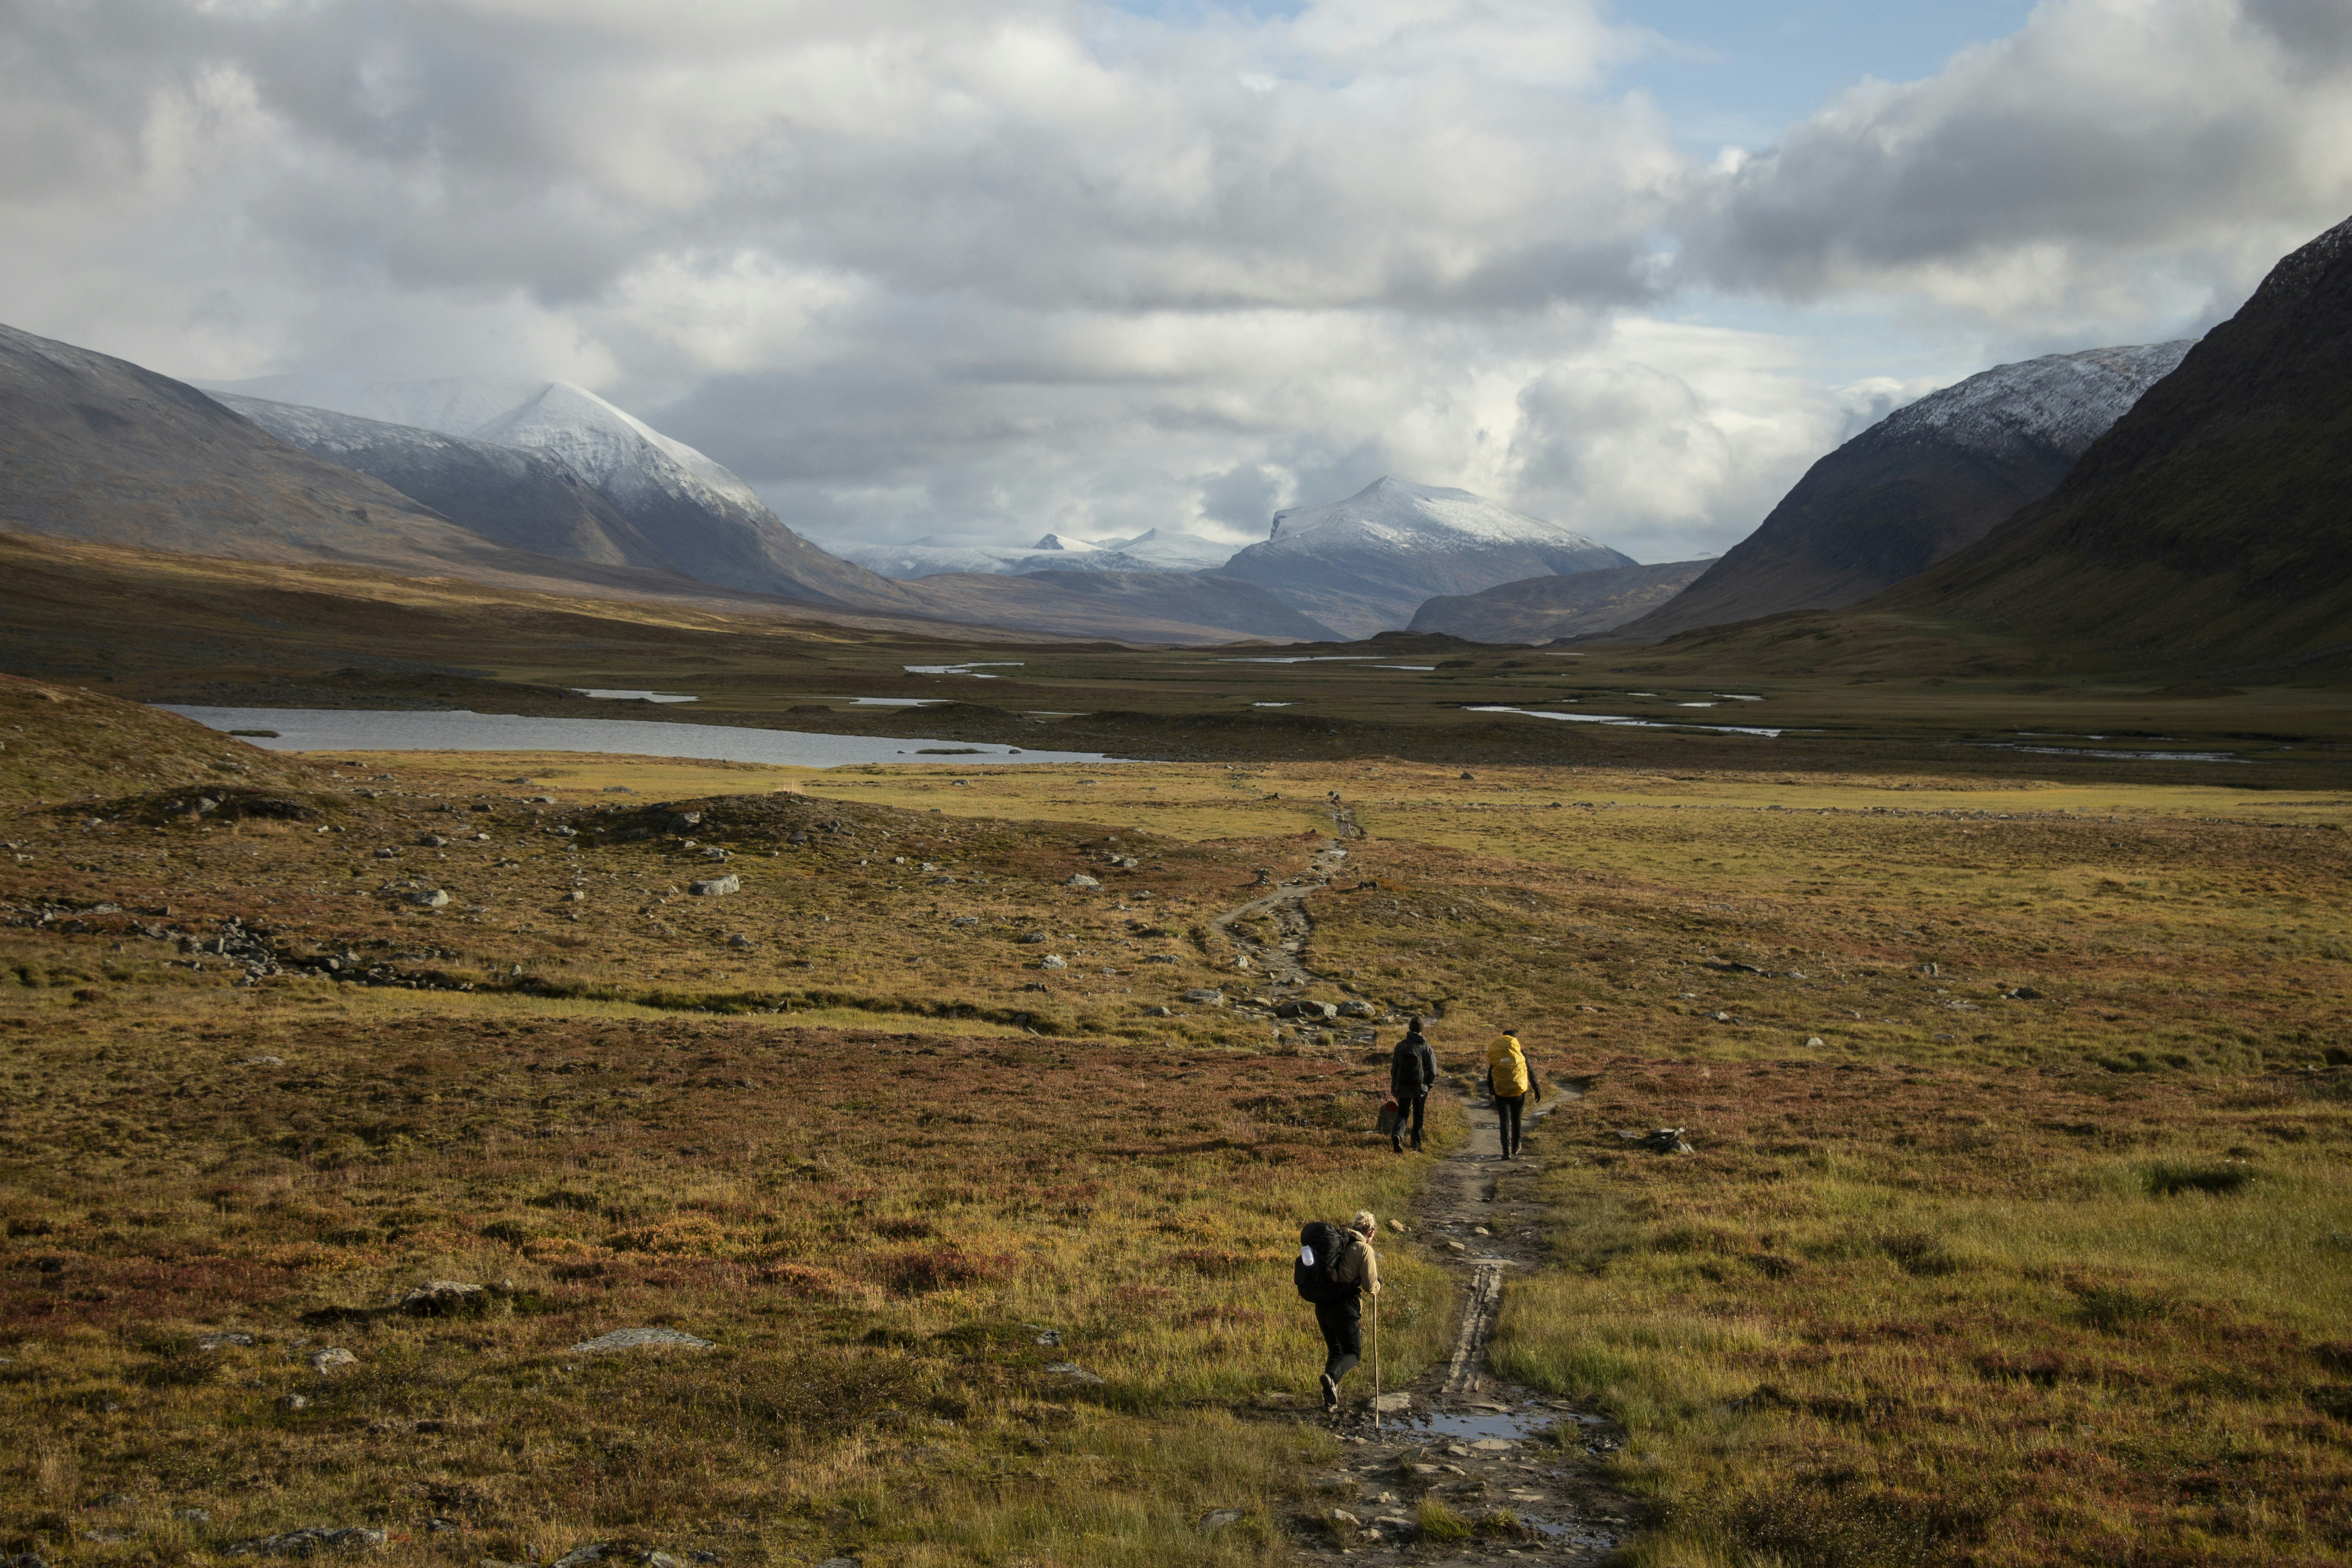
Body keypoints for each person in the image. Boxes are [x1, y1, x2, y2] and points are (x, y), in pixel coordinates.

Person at [1295, 1209, 1381, 1412]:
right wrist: (1379, 1286)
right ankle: (1332, 1377)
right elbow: (1370, 1287)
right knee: (1353, 1353)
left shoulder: (1339, 1241)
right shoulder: (1363, 1250)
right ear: (1372, 1232)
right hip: (1345, 1308)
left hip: (1323, 1305)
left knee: (1336, 1350)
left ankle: (1329, 1400)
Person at [1486, 1027, 1538, 1159]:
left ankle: (1506, 1151)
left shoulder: (1498, 1054)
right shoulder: (1520, 1052)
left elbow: (1490, 1074)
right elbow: (1530, 1071)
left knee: (1504, 1121)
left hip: (1501, 1092)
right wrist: (1536, 1089)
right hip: (1518, 1091)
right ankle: (1516, 1146)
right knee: (1516, 1120)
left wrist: (1491, 1090)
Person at [1389, 1017, 1437, 1153]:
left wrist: (1395, 1086)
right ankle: (1416, 1145)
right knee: (1418, 1115)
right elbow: (1432, 1070)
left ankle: (1398, 1134)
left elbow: (1395, 1068)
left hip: (1403, 1086)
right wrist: (1429, 1086)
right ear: (1422, 1029)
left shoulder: (1400, 1046)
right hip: (1420, 1088)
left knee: (1403, 1113)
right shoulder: (1426, 1047)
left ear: (1410, 1028)